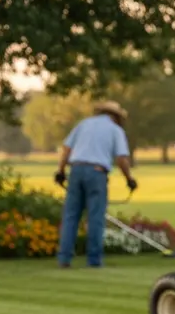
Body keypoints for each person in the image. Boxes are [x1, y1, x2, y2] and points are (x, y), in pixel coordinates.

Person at [54, 100, 138, 268]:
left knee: (71, 216)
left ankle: (64, 258)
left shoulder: (83, 124)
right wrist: (129, 179)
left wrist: (61, 171)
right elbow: (121, 158)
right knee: (95, 217)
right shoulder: (115, 130)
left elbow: (66, 149)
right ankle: (94, 260)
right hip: (97, 173)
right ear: (116, 117)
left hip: (76, 170)